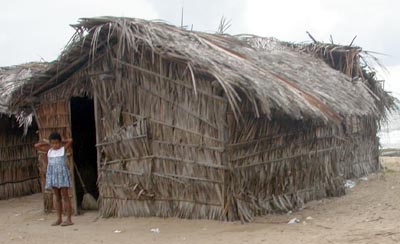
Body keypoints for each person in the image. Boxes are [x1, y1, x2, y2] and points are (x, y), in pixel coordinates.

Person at [34, 132, 73, 226]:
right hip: (53, 176)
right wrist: (48, 143)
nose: (55, 145)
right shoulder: (49, 151)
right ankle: (59, 218)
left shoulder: (63, 149)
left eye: (57, 143)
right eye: (53, 143)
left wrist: (62, 141)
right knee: (57, 197)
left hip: (62, 176)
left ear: (60, 142)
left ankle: (68, 219)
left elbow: (70, 140)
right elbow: (36, 145)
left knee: (65, 196)